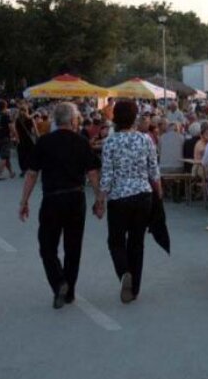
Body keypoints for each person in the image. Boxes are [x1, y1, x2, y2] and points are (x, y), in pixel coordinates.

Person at [19, 102, 101, 309]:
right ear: (74, 121)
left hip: (52, 199)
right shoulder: (82, 142)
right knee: (73, 247)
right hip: (76, 198)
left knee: (47, 246)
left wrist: (24, 201)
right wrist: (99, 200)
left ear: (55, 120)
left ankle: (59, 282)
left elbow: (31, 173)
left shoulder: (44, 142)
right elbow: (92, 173)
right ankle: (69, 292)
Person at [97, 99, 162, 303]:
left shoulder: (110, 141)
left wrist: (100, 200)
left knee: (116, 241)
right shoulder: (145, 140)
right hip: (143, 195)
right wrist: (158, 195)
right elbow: (154, 171)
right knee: (137, 243)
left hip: (119, 198)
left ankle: (124, 272)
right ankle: (134, 289)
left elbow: (106, 175)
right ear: (135, 117)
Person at [0, 99, 16, 180]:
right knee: (4, 157)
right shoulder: (6, 116)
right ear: (5, 107)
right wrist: (15, 135)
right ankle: (0, 174)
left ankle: (11, 172)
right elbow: (11, 127)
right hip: (5, 138)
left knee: (5, 156)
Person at [14, 103, 37, 176]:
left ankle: (24, 169)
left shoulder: (17, 120)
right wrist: (38, 137)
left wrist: (17, 139)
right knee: (30, 154)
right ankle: (30, 169)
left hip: (21, 139)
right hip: (29, 139)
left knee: (22, 155)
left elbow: (16, 131)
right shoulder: (30, 119)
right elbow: (35, 130)